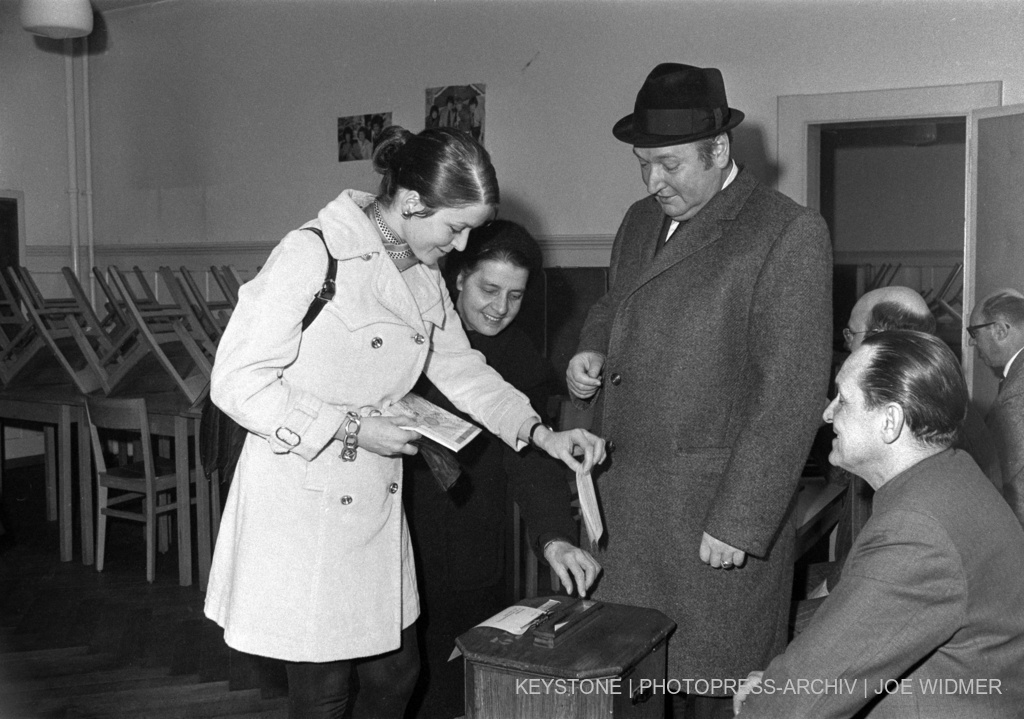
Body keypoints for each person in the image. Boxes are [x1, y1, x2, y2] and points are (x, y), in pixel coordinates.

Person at [204, 126, 606, 719]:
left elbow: (463, 371)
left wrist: (541, 434)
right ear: (413, 202)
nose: (462, 242)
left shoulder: (420, 273)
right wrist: (350, 429)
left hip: (374, 501)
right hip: (304, 500)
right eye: (456, 227)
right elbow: (236, 381)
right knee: (324, 691)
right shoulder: (312, 252)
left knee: (397, 674)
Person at [565, 62, 832, 717]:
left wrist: (740, 519)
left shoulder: (787, 232)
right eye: (643, 165)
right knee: (629, 688)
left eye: (670, 164)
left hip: (709, 527)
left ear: (719, 149)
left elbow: (789, 395)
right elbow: (616, 302)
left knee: (707, 693)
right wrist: (591, 348)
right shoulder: (638, 221)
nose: (654, 182)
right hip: (625, 519)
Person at [734, 331, 1024, 718]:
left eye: (842, 400)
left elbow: (794, 708)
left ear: (890, 421)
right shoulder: (951, 475)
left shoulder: (916, 530)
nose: (827, 414)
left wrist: (771, 696)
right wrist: (784, 683)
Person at [404, 219, 600, 719]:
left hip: (471, 542)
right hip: (397, 532)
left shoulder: (518, 355)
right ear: (458, 277)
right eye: (489, 289)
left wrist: (554, 538)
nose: (500, 308)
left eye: (515, 295)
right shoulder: (408, 332)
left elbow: (531, 462)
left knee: (458, 687)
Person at [968, 288, 1024, 526]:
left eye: (974, 332)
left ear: (1000, 330)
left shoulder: (1017, 391)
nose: (971, 341)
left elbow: (1001, 476)